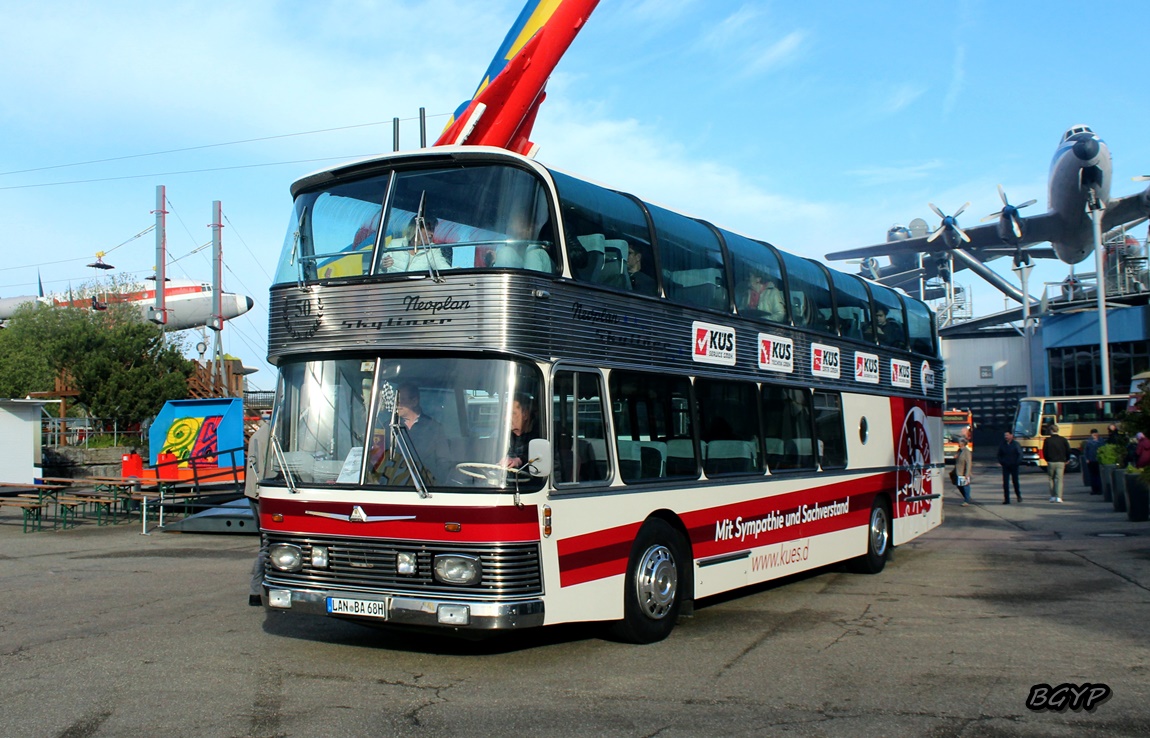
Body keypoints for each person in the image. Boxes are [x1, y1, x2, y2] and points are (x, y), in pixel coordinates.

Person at [370, 382, 449, 485]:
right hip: (392, 488)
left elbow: (443, 463)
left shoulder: (435, 428)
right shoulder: (387, 427)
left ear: (414, 401)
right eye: (396, 399)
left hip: (426, 487)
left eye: (401, 399)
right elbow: (375, 459)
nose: (397, 404)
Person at [245, 412, 272, 606]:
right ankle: (257, 589)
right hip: (264, 494)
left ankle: (260, 588)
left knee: (263, 542)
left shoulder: (258, 435)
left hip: (253, 493)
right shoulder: (274, 435)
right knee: (268, 544)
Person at [379, 216, 450, 273]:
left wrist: (459, 271)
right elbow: (380, 270)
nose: (431, 233)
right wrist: (383, 266)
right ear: (415, 229)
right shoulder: (395, 244)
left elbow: (442, 267)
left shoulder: (433, 249)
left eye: (432, 230)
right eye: (428, 229)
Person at [503, 393, 539, 470]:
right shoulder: (504, 437)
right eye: (505, 414)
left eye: (512, 413)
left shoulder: (541, 436)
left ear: (525, 414)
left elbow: (539, 457)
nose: (506, 418)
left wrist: (519, 461)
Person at [1042, 423, 1071, 503]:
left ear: (1051, 431)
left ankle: (1052, 496)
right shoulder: (1063, 440)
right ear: (1057, 430)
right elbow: (1068, 450)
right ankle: (1059, 496)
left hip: (1051, 461)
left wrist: (1047, 459)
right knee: (1059, 479)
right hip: (1061, 461)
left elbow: (1045, 452)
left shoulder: (1047, 440)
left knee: (1051, 478)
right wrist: (1067, 459)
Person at [997, 430, 1023, 504]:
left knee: (1015, 482)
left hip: (1014, 466)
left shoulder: (1015, 444)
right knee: (1005, 483)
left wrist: (1017, 463)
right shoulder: (1002, 444)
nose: (1006, 437)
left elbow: (1020, 454)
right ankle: (1007, 499)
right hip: (1005, 466)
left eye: (1007, 435)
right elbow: (999, 455)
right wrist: (1002, 462)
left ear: (1011, 436)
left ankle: (1018, 495)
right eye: (1005, 435)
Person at [1083, 428, 1103, 495]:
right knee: (1093, 476)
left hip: (1098, 460)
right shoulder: (1088, 441)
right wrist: (1087, 459)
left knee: (1098, 476)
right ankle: (1094, 490)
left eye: (1096, 434)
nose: (1094, 435)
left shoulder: (1101, 441)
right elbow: (1086, 451)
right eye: (1093, 434)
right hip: (1091, 460)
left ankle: (1100, 489)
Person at [954, 437, 973, 506]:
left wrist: (967, 473)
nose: (958, 443)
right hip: (958, 471)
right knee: (959, 485)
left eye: (959, 442)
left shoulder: (966, 451)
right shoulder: (959, 450)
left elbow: (969, 463)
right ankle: (966, 497)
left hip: (963, 471)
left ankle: (967, 500)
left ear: (963, 443)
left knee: (965, 486)